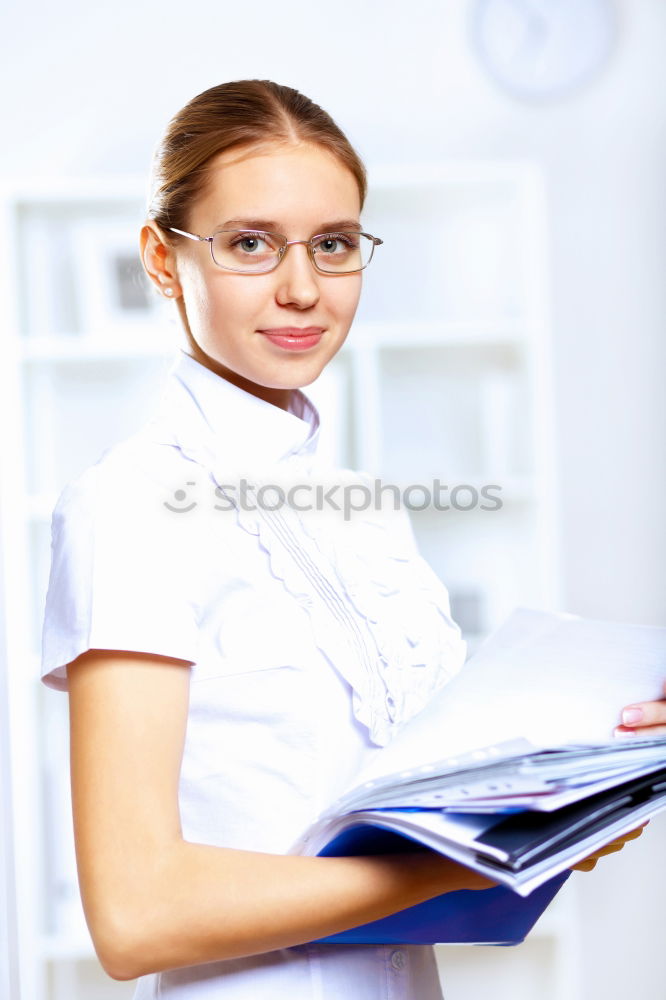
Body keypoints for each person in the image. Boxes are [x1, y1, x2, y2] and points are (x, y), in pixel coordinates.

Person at [40, 80, 666, 1000]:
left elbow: (423, 809)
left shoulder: (366, 511)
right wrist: (448, 870)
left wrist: (583, 787)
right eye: (250, 244)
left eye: (333, 245)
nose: (302, 288)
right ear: (165, 262)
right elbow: (137, 914)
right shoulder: (131, 505)